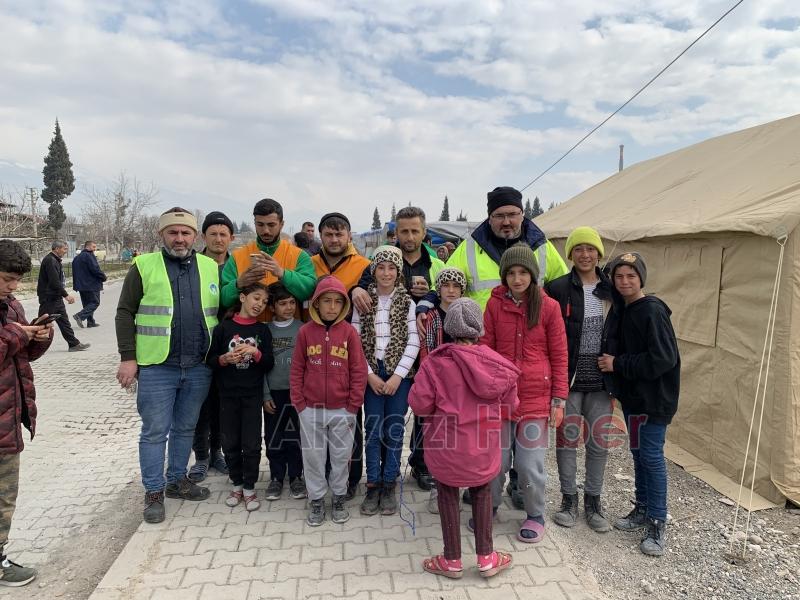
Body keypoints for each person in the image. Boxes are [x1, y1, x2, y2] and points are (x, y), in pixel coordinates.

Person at [115, 208, 220, 524]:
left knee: (185, 427)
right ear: (162, 235)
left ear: (195, 236)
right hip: (158, 366)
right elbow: (124, 313)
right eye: (173, 232)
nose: (179, 238)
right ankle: (153, 493)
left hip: (199, 366)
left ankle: (177, 480)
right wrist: (127, 357)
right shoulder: (143, 266)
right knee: (154, 432)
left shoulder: (210, 267)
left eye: (185, 232)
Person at [410, 298, 518, 579]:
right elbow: (510, 407)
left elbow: (420, 405)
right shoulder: (497, 365)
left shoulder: (435, 364)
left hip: (446, 444)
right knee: (481, 491)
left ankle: (452, 561)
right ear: (478, 329)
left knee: (447, 493)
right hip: (483, 443)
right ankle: (486, 558)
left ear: (448, 329)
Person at [352, 207, 444, 492]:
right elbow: (357, 327)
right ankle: (375, 481)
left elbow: (449, 294)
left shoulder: (433, 269)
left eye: (415, 230)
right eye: (404, 231)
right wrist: (355, 289)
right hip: (377, 366)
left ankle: (407, 471)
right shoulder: (377, 273)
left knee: (410, 420)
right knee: (375, 426)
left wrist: (427, 297)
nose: (409, 236)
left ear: (424, 232)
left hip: (416, 361)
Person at [482, 244, 568, 543]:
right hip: (501, 399)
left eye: (523, 273)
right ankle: (488, 509)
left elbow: (559, 354)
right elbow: (486, 350)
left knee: (530, 465)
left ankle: (535, 514)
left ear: (532, 274)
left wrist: (558, 401)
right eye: (511, 273)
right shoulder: (494, 305)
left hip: (535, 399)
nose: (517, 279)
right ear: (504, 276)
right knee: (496, 462)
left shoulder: (549, 307)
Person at [599, 252, 680, 557]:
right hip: (633, 399)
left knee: (651, 456)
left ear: (641, 279)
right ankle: (642, 508)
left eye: (631, 276)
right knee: (638, 454)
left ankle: (658, 522)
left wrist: (618, 364)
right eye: (619, 276)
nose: (624, 282)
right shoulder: (624, 309)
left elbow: (662, 359)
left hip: (655, 400)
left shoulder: (652, 311)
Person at [545, 227, 617, 532]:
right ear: (570, 254)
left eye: (590, 249)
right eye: (578, 249)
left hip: (602, 381)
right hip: (569, 379)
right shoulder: (557, 287)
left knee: (599, 442)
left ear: (599, 254)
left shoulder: (613, 290)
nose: (585, 255)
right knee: (566, 441)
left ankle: (593, 502)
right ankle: (568, 499)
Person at [290, 276, 367, 527]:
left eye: (337, 302)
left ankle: (339, 497)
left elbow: (358, 370)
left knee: (340, 457)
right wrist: (299, 404)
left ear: (344, 305)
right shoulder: (305, 332)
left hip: (343, 410)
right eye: (326, 301)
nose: (332, 307)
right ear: (316, 304)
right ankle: (316, 499)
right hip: (311, 409)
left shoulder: (349, 333)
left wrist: (353, 405)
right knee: (313, 457)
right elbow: (297, 369)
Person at [0, 240, 54, 587]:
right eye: (6, 279)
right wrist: (18, 334)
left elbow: (21, 356)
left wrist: (39, 336)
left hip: (7, 420)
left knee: (5, 496)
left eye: (17, 281)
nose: (13, 287)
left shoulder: (12, 306)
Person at [352, 245, 419, 516]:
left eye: (392, 267)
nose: (386, 272)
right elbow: (355, 339)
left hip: (397, 376)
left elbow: (413, 341)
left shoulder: (407, 303)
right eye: (381, 267)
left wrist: (397, 376)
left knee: (393, 430)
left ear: (399, 272)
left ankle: (389, 482)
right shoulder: (364, 300)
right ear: (373, 270)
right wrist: (368, 374)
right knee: (373, 429)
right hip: (371, 373)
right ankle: (373, 483)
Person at [310, 212, 370, 500]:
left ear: (348, 235)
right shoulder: (309, 264)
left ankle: (350, 480)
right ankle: (319, 482)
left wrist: (358, 286)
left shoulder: (363, 265)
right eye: (329, 234)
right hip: (315, 348)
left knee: (349, 423)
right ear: (320, 236)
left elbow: (374, 291)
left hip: (349, 347)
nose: (334, 239)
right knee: (318, 431)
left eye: (340, 234)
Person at [207, 283, 274, 512]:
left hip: (252, 396)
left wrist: (255, 353)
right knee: (230, 442)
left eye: (264, 302)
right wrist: (225, 359)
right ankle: (236, 484)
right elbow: (211, 360)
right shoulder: (223, 329)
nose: (259, 305)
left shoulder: (263, 331)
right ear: (243, 297)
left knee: (252, 444)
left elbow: (269, 363)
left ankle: (249, 487)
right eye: (256, 298)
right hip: (227, 395)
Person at [445, 186, 568, 310]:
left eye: (512, 214)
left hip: (532, 327)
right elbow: (442, 283)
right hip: (483, 328)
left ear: (522, 215)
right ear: (489, 219)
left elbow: (566, 288)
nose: (506, 222)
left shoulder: (542, 246)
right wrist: (427, 302)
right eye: (499, 216)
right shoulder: (470, 247)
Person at [189, 212, 237, 482]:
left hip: (228, 346)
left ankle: (217, 452)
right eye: (213, 234)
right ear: (203, 237)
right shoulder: (192, 265)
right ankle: (201, 457)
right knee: (200, 405)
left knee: (221, 403)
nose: (219, 239)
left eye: (223, 234)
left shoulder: (236, 267)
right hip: (199, 346)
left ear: (231, 238)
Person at [416, 267, 466, 513]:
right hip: (437, 386)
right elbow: (425, 352)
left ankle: (460, 482)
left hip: (461, 389)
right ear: (439, 289)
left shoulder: (466, 315)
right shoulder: (430, 316)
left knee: (459, 438)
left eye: (456, 286)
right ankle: (438, 487)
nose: (451, 290)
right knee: (436, 439)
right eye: (446, 286)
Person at [221, 198, 316, 321]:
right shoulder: (237, 257)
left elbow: (309, 290)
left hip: (286, 334)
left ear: (281, 224)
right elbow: (224, 300)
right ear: (254, 223)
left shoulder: (299, 256)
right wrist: (238, 284)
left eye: (271, 225)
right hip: (246, 336)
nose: (265, 230)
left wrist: (282, 274)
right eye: (260, 224)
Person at [263, 282, 306, 501]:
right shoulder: (265, 331)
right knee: (274, 436)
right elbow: (260, 367)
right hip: (274, 394)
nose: (288, 307)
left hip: (297, 393)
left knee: (296, 436)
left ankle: (297, 476)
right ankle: (276, 477)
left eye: (291, 303)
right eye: (282, 304)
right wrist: (265, 395)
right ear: (272, 307)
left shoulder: (302, 328)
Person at [37, 241, 89, 352]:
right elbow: (54, 281)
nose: (66, 251)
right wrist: (66, 295)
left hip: (56, 297)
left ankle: (73, 344)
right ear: (56, 248)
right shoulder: (50, 260)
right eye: (64, 249)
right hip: (49, 298)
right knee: (42, 323)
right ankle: (32, 346)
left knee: (64, 322)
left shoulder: (55, 260)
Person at [71, 240, 107, 329]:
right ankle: (80, 316)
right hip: (91, 284)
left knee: (87, 304)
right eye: (94, 247)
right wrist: (103, 277)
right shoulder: (89, 256)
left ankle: (90, 322)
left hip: (81, 285)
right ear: (88, 246)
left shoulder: (77, 258)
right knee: (95, 302)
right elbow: (95, 269)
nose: (95, 249)